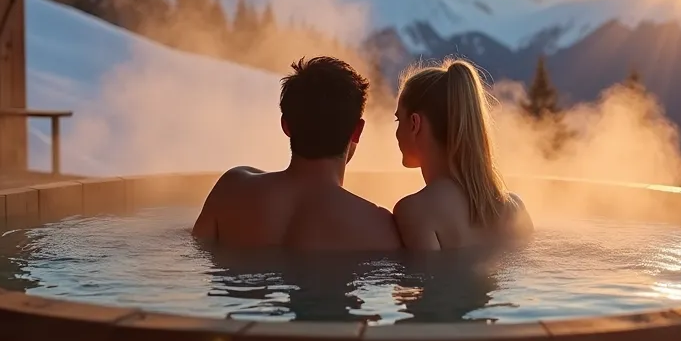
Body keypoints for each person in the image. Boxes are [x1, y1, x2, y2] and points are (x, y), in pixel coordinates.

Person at [191, 56, 401, 251]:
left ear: (286, 125)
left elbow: (197, 250)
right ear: (357, 130)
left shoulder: (231, 190)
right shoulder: (379, 227)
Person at [392, 59, 533, 250]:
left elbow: (425, 278)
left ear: (415, 124)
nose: (397, 133)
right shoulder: (515, 208)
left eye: (398, 119)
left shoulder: (416, 211)